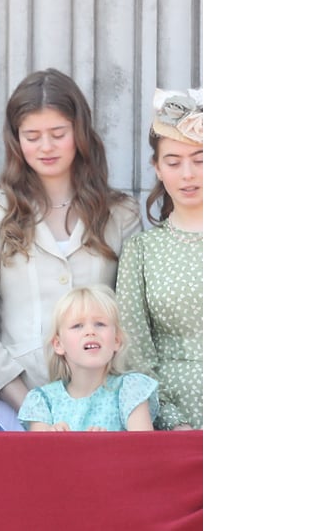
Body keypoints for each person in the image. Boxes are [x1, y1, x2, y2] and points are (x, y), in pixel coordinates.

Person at [0, 68, 142, 413]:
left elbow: (131, 319)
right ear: (16, 140)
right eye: (32, 136)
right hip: (13, 401)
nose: (46, 147)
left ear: (80, 133)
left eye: (58, 133)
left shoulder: (121, 214)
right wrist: (31, 406)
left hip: (104, 404)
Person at [116, 88, 203, 430]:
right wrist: (170, 420)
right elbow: (134, 351)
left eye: (200, 160)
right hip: (168, 421)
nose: (187, 174)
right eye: (173, 161)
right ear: (156, 167)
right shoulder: (142, 250)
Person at [18, 285, 158, 431]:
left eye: (100, 324)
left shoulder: (131, 389)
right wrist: (55, 442)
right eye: (77, 325)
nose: (90, 331)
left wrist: (107, 447)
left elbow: (143, 449)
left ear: (116, 340)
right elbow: (40, 452)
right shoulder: (43, 400)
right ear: (58, 344)